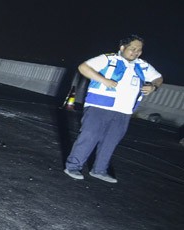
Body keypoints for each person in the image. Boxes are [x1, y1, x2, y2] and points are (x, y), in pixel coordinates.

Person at [64, 34, 163, 183]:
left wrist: (153, 86)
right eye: (132, 49)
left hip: (124, 111)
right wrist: (103, 80)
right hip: (100, 105)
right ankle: (73, 166)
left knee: (111, 141)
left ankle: (99, 170)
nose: (135, 52)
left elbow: (158, 77)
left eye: (139, 50)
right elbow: (83, 67)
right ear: (122, 48)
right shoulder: (108, 59)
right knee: (89, 136)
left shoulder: (143, 65)